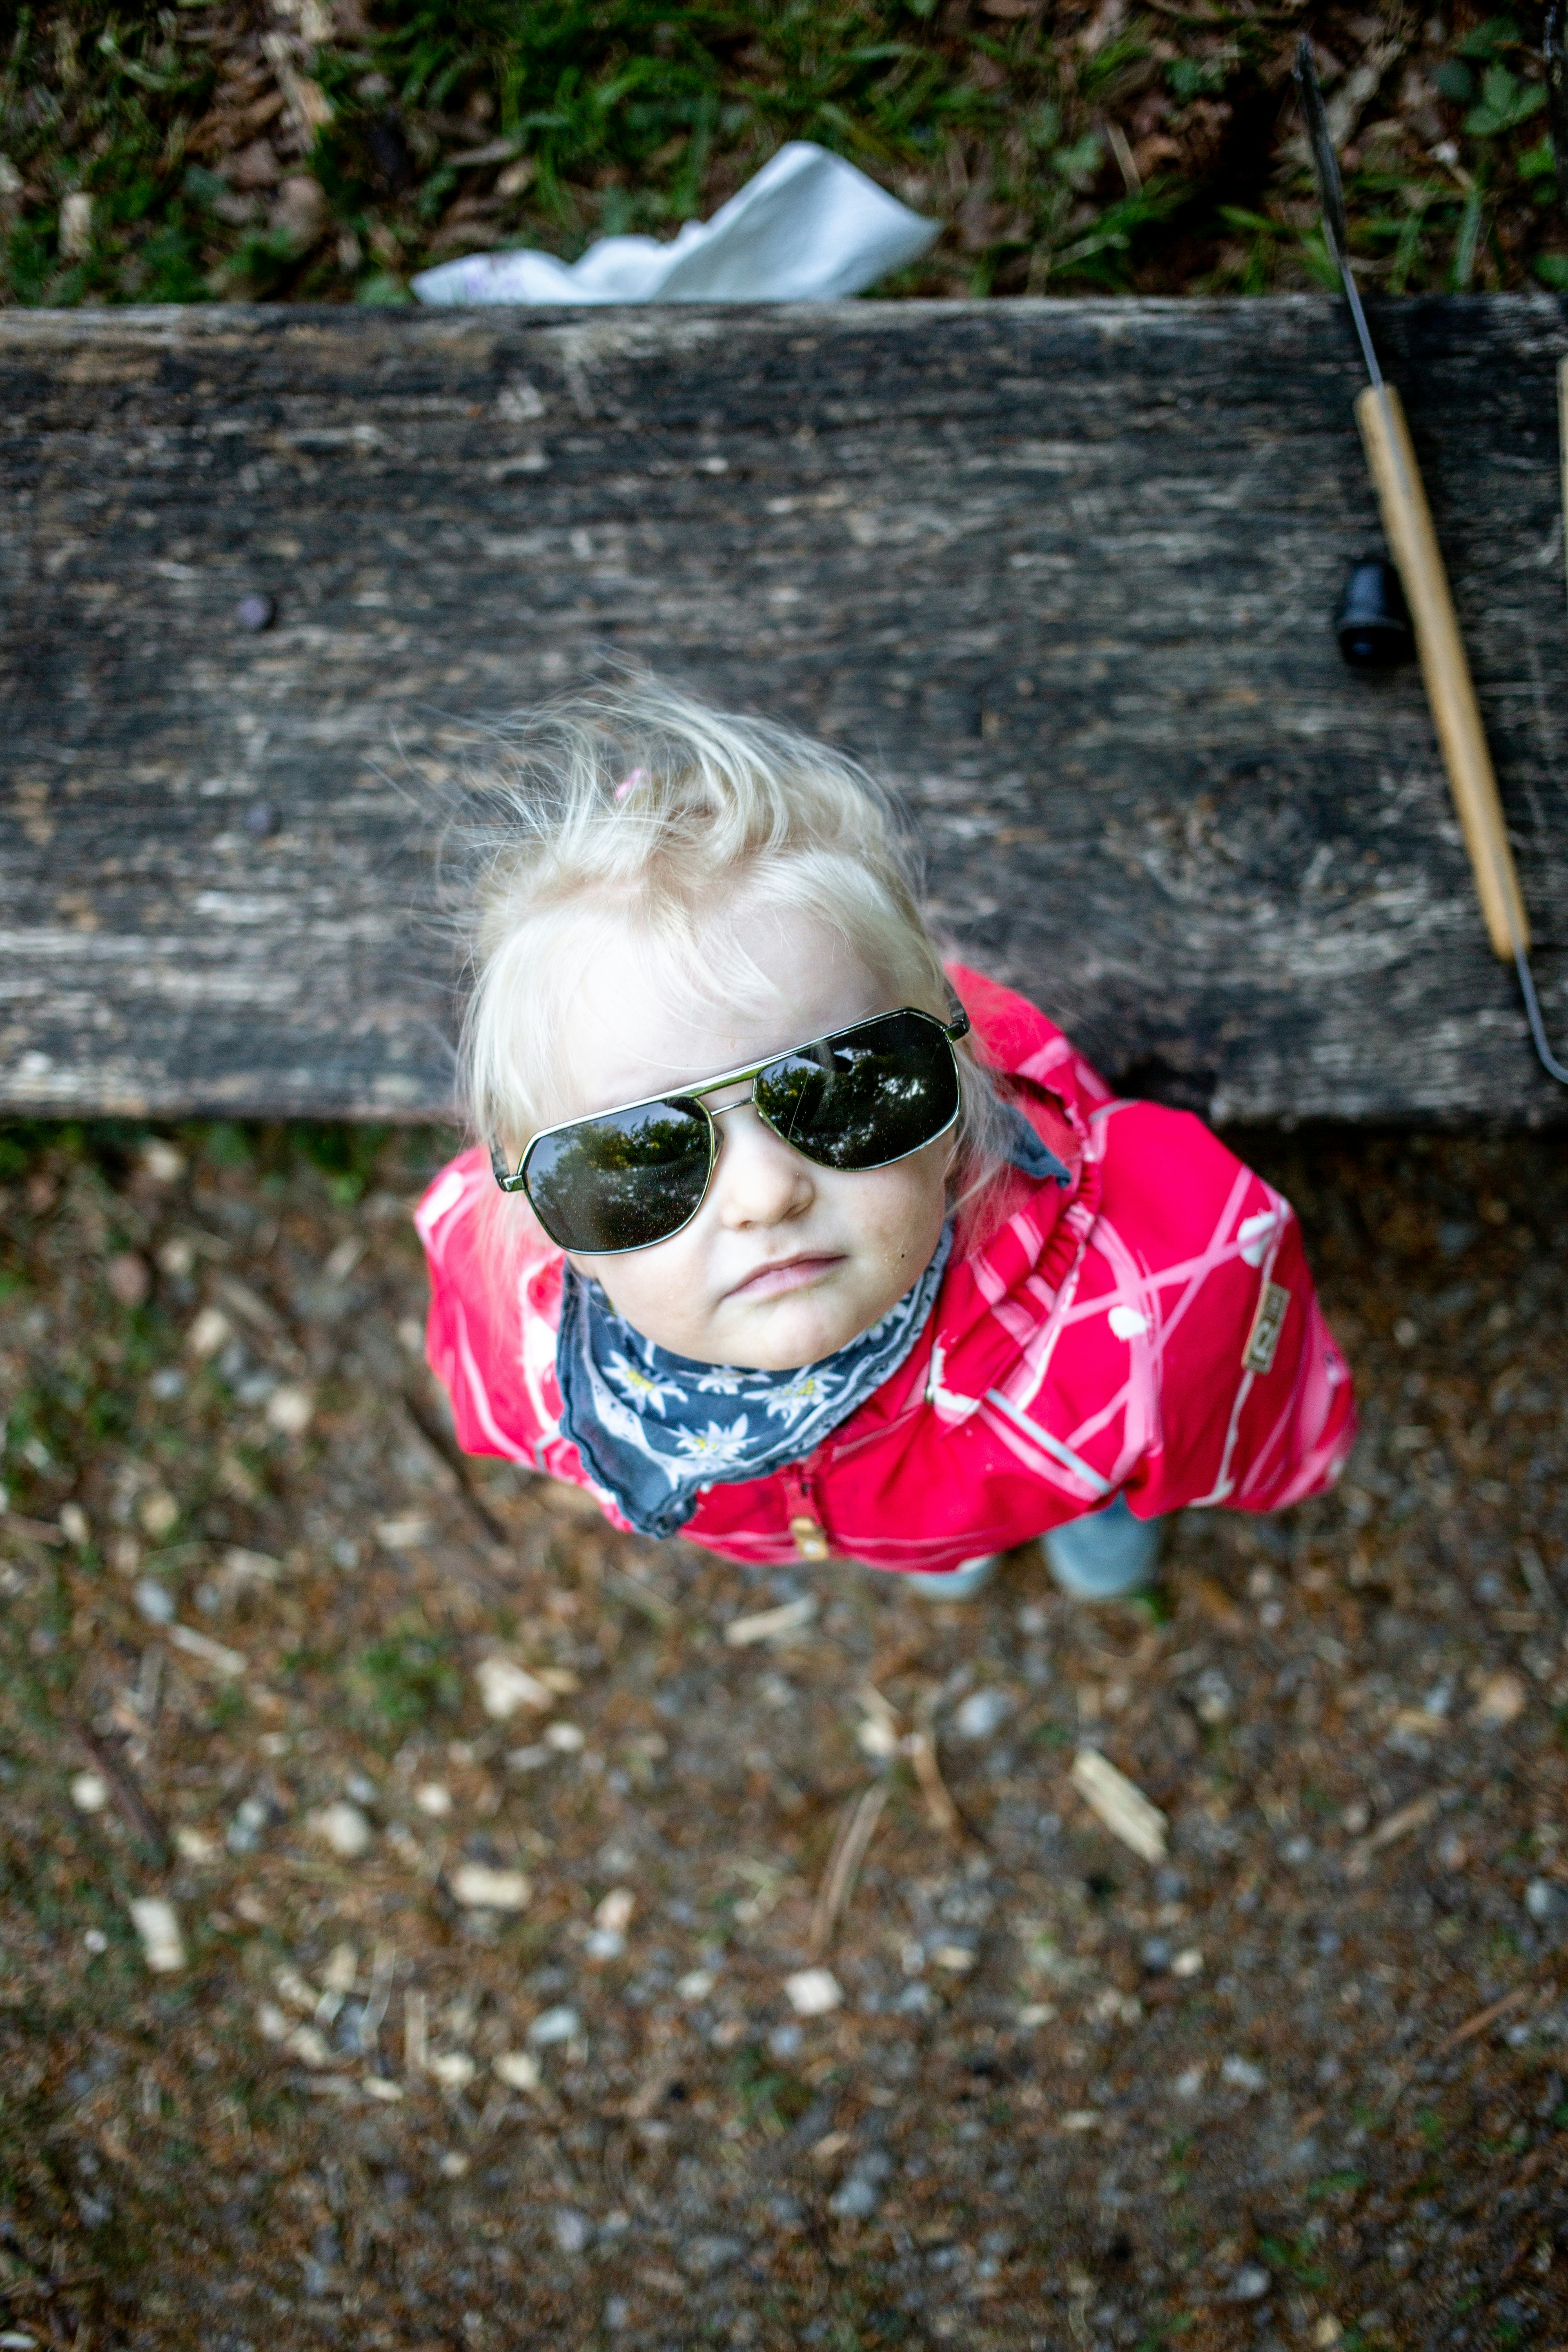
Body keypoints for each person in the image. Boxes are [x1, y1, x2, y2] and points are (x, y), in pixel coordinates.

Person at [416, 682, 1355, 1603]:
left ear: (952, 1076)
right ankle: (941, 1545)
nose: (763, 1195)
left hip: (1072, 1442)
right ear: (530, 1203)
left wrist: (1247, 1465)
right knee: (943, 1536)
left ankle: (1091, 1512)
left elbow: (1255, 1403)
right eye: (641, 1153)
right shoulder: (529, 1352)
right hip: (905, 1498)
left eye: (844, 1088)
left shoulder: (1145, 1310)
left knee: (1086, 1479)